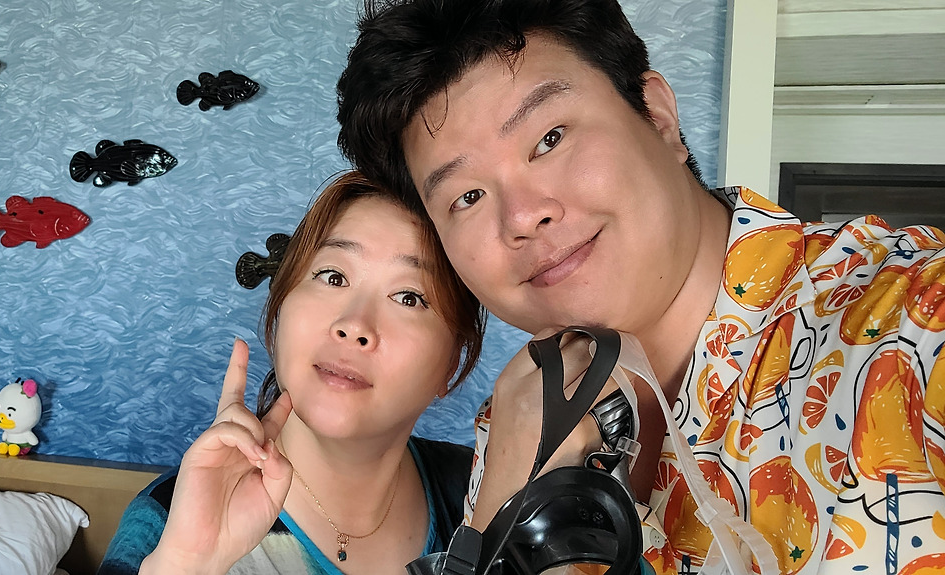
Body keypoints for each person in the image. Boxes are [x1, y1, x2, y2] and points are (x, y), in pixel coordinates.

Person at [335, 1, 945, 573]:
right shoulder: (518, 417)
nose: (522, 216)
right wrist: (503, 519)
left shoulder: (914, 325)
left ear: (658, 117)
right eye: (467, 196)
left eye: (550, 139)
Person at [98, 170, 487, 575]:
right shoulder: (166, 526)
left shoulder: (479, 492)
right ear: (280, 308)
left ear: (453, 362)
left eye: (409, 297)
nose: (354, 325)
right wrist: (187, 564)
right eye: (333, 277)